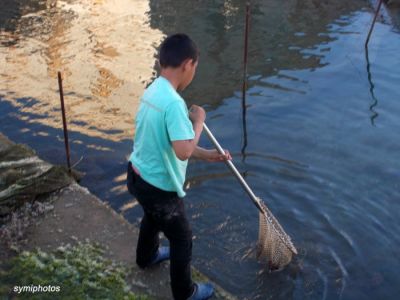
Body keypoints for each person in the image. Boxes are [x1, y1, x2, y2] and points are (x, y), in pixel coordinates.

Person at [126, 33, 231, 300]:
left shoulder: (154, 90)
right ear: (187, 64)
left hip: (138, 176)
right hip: (159, 188)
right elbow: (183, 150)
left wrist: (208, 155)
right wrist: (198, 121)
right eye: (195, 67)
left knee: (152, 217)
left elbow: (173, 145)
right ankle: (185, 293)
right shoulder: (173, 103)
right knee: (182, 238)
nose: (193, 72)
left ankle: (146, 256)